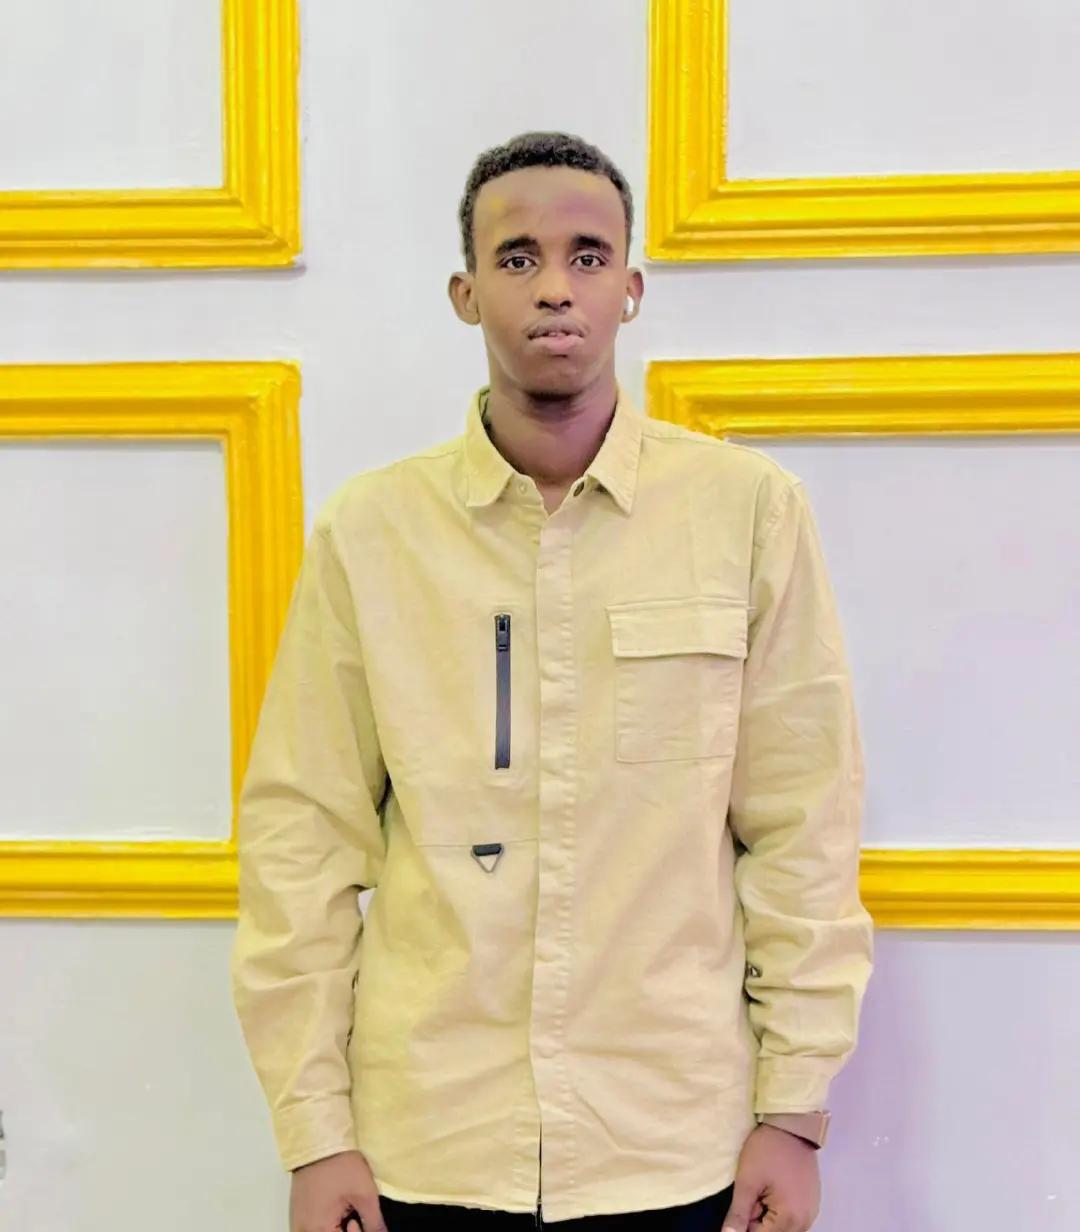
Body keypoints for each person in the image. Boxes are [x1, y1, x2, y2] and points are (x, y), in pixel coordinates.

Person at [230, 131, 874, 1232]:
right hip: (428, 1141)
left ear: (631, 288)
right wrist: (315, 1132)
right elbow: (303, 841)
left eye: (587, 256)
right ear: (466, 292)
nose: (554, 288)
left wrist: (796, 1110)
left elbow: (803, 825)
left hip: (673, 1141)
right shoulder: (373, 532)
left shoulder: (746, 513)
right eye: (517, 257)